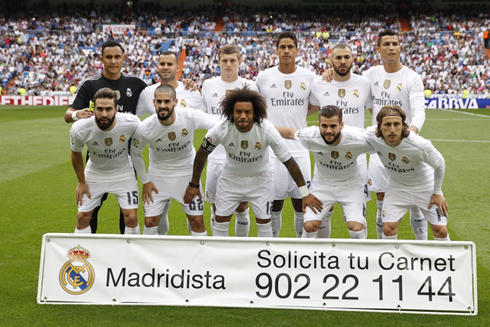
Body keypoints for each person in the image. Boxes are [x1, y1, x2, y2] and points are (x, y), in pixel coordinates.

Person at [184, 87, 322, 237]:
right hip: (231, 178)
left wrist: (305, 193)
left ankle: (263, 259)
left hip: (261, 180)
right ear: (232, 112)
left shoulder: (266, 130)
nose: (243, 116)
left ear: (255, 113)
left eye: (247, 112)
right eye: (238, 112)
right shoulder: (221, 129)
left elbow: (289, 162)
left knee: (264, 224)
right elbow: (202, 153)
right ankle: (222, 258)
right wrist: (194, 184)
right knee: (220, 221)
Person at [64, 40, 147, 234]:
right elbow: (68, 115)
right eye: (108, 57)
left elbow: (161, 94)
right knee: (90, 212)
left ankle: (128, 253)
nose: (113, 61)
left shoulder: (136, 84)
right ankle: (87, 257)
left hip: (125, 159)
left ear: (123, 58)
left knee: (128, 214)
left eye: (117, 57)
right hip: (96, 156)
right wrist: (78, 114)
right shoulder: (90, 85)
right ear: (101, 59)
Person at [363, 29, 428, 240]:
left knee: (417, 200)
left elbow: (419, 111)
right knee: (381, 197)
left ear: (400, 47)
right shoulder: (370, 75)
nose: (392, 48)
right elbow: (359, 96)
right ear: (378, 49)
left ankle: (424, 249)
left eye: (395, 44)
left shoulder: (412, 77)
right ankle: (385, 252)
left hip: (407, 146)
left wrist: (409, 135)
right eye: (387, 44)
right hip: (379, 149)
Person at [131, 84, 218, 236]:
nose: (162, 106)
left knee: (197, 221)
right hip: (157, 176)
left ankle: (200, 258)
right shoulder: (145, 128)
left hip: (187, 176)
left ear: (175, 102)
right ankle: (149, 259)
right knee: (150, 222)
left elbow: (217, 122)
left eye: (167, 101)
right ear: (154, 103)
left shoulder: (189, 116)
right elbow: (135, 153)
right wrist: (145, 181)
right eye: (159, 102)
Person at [276, 105, 373, 239]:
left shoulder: (358, 138)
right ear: (318, 125)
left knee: (356, 229)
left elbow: (383, 141)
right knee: (309, 227)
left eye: (333, 126)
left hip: (351, 186)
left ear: (342, 125)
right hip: (322, 187)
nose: (328, 131)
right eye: (324, 126)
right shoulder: (311, 136)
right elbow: (289, 133)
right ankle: (305, 258)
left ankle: (359, 259)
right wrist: (259, 126)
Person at [136, 50, 205, 235]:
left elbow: (206, 119)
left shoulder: (191, 91)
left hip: (186, 166)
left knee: (195, 218)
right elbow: (133, 120)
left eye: (170, 64)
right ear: (157, 66)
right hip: (158, 166)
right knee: (156, 215)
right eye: (162, 64)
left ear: (177, 67)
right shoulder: (146, 93)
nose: (165, 67)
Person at [256, 32, 316, 238]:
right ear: (277, 50)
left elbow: (314, 105)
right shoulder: (264, 77)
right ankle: (273, 249)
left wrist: (298, 114)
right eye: (282, 47)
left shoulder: (309, 77)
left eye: (290, 47)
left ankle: (301, 250)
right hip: (271, 152)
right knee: (274, 205)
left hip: (300, 151)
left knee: (302, 204)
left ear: (297, 50)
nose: (286, 51)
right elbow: (258, 108)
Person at [309, 43, 372, 238]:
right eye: (338, 57)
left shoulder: (364, 83)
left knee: (356, 216)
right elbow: (306, 110)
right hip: (325, 159)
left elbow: (376, 111)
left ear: (353, 59)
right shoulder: (319, 84)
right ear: (331, 60)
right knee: (323, 213)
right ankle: (322, 256)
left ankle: (361, 255)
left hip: (356, 157)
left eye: (346, 57)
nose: (343, 61)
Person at [365, 106, 449, 241]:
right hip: (397, 188)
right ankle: (389, 261)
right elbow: (349, 133)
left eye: (396, 124)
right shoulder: (372, 135)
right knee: (388, 229)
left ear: (404, 125)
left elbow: (439, 163)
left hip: (425, 188)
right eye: (387, 124)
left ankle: (443, 261)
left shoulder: (419, 145)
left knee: (441, 231)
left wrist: (437, 192)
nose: (392, 129)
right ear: (379, 126)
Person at [201, 44, 258, 237]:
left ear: (239, 62)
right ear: (218, 62)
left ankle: (240, 248)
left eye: (232, 60)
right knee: (216, 207)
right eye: (224, 60)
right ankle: (218, 249)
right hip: (215, 156)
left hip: (240, 156)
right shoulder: (208, 85)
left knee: (242, 206)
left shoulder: (250, 86)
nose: (228, 64)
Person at [70, 88, 141, 235]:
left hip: (123, 173)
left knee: (131, 218)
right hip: (94, 173)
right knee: (82, 217)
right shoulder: (80, 129)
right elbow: (76, 153)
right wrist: (82, 182)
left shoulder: (131, 123)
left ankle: (131, 256)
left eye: (108, 109)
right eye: (100, 109)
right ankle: (82, 256)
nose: (104, 114)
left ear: (116, 109)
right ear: (93, 109)